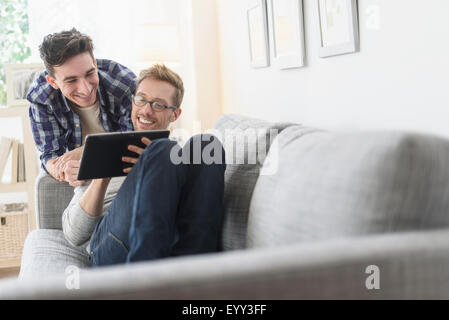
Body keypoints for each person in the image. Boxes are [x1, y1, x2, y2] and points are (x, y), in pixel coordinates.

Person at [61, 64, 226, 266]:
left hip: (172, 238)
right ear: (133, 102)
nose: (146, 110)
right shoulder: (105, 150)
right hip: (110, 246)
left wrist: (154, 165)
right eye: (141, 100)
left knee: (207, 144)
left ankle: (197, 268)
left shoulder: (179, 155)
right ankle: (146, 277)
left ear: (174, 114)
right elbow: (74, 234)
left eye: (158, 104)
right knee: (162, 150)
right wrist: (102, 176)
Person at [27, 28, 136, 186]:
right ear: (53, 82)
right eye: (71, 81)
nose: (85, 89)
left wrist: (87, 150)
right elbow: (49, 155)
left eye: (90, 73)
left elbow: (134, 142)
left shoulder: (124, 83)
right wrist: (61, 169)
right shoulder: (41, 98)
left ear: (95, 64)